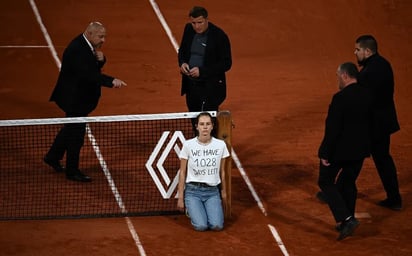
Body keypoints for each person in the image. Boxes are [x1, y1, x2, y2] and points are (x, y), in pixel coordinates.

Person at [43, 22, 127, 182]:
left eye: (104, 36)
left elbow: (93, 66)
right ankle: (72, 171)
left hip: (78, 98)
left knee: (70, 128)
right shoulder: (77, 50)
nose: (104, 40)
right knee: (76, 136)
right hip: (74, 99)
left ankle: (52, 156)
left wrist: (102, 60)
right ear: (89, 33)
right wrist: (111, 81)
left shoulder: (85, 45)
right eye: (100, 36)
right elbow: (89, 75)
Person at [318, 62, 371, 241]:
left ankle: (347, 219)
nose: (337, 80)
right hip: (360, 150)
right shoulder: (367, 95)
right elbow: (373, 124)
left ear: (345, 76)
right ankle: (346, 221)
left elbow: (333, 128)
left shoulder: (340, 98)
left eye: (338, 76)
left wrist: (325, 153)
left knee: (325, 181)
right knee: (348, 182)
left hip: (339, 152)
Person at [354, 35, 402, 210]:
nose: (355, 52)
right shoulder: (382, 64)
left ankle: (335, 191)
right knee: (382, 159)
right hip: (383, 122)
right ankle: (394, 198)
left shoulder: (369, 72)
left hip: (374, 125)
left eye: (358, 49)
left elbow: (363, 99)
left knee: (352, 155)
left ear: (367, 51)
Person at [177, 112, 230, 231]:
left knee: (217, 226)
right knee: (201, 226)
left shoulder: (220, 145)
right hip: (192, 192)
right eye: (202, 124)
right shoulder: (188, 145)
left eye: (208, 124)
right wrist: (180, 197)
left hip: (212, 192)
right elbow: (182, 173)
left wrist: (224, 193)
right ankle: (191, 208)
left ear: (212, 126)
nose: (205, 127)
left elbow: (222, 172)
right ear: (197, 127)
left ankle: (202, 209)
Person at [178, 6, 232, 114]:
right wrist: (182, 63)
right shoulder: (188, 29)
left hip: (210, 85)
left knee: (208, 118)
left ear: (206, 19)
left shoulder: (219, 36)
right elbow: (182, 50)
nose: (197, 26)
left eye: (200, 22)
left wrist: (202, 71)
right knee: (193, 115)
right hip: (191, 83)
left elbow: (226, 63)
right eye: (194, 23)